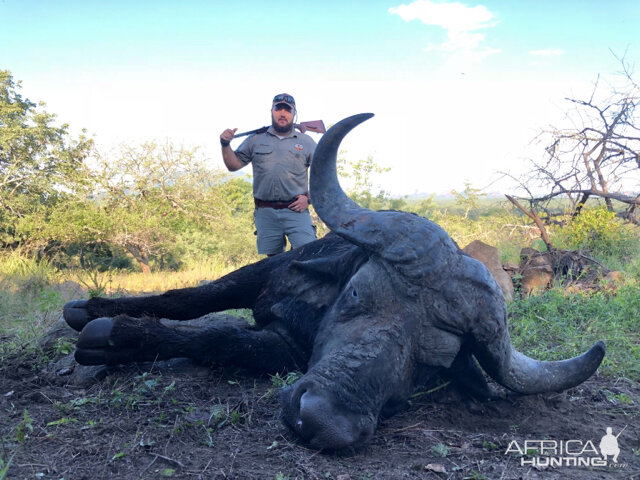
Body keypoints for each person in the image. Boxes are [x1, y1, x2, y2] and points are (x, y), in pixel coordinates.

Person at [219, 93, 317, 256]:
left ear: (294, 113)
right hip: (265, 212)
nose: (283, 113)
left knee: (307, 256)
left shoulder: (306, 142)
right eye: (279, 109)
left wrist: (309, 198)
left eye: (288, 110)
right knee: (271, 264)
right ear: (271, 111)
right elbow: (233, 165)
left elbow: (323, 175)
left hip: (297, 211)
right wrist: (225, 144)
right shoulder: (255, 139)